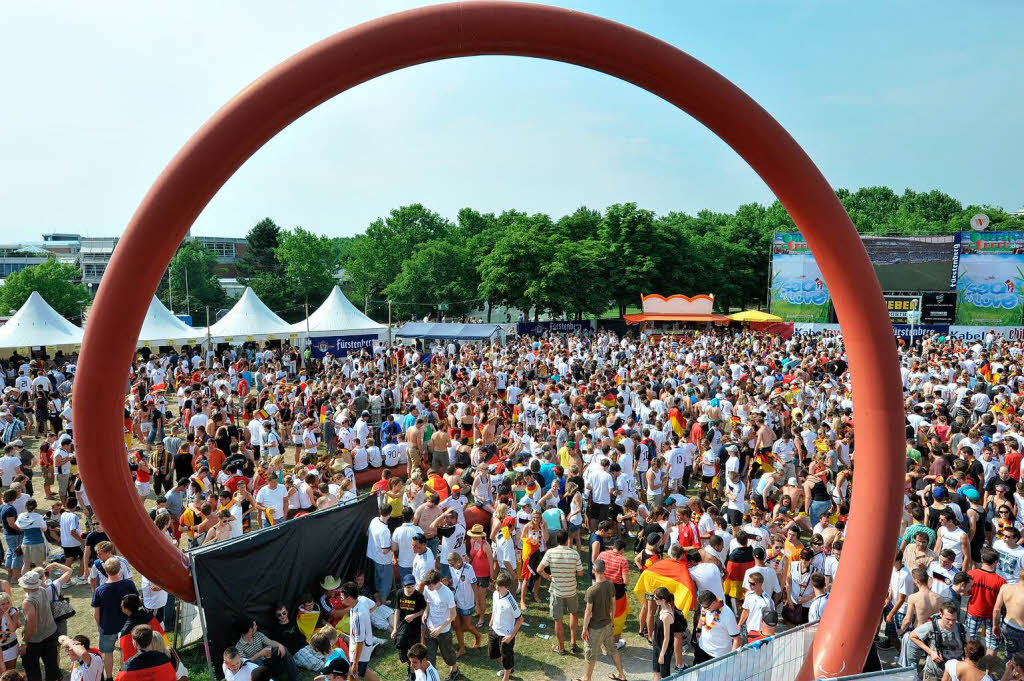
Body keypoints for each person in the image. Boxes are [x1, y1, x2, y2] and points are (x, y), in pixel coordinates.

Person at [578, 559, 627, 681]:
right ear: (604, 570)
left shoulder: (591, 590)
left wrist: (584, 628)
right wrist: (612, 619)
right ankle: (621, 674)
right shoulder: (610, 584)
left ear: (594, 570)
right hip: (608, 625)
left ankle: (586, 678)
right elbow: (613, 604)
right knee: (613, 650)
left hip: (595, 628)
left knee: (590, 654)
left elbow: (588, 612)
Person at [537, 529, 584, 656]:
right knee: (573, 615)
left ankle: (561, 648)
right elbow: (580, 573)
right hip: (571, 590)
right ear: (567, 539)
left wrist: (549, 577)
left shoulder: (550, 553)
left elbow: (539, 569)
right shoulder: (574, 553)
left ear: (557, 540)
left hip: (557, 591)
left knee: (558, 620)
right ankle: (573, 643)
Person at [91, 557, 139, 679]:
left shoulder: (99, 590)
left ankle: (109, 677)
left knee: (108, 654)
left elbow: (96, 613)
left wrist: (99, 626)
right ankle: (125, 674)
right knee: (126, 651)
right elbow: (137, 602)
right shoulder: (129, 584)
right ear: (120, 569)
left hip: (107, 627)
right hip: (127, 625)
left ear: (105, 571)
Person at [19, 570, 59, 681]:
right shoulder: (42, 590)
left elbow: (32, 626)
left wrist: (24, 643)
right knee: (51, 665)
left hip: (35, 640)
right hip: (51, 633)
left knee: (32, 668)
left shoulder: (28, 602)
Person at [910, 602, 965, 681]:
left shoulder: (962, 629)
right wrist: (931, 652)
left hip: (954, 675)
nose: (951, 623)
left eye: (954, 619)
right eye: (948, 619)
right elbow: (912, 636)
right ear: (940, 614)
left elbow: (967, 646)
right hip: (934, 673)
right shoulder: (930, 626)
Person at [422, 570, 459, 681]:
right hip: (430, 628)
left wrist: (439, 628)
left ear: (438, 582)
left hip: (443, 631)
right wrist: (425, 611)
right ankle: (431, 676)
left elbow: (453, 615)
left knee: (447, 654)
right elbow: (428, 602)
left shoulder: (447, 593)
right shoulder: (427, 589)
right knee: (430, 655)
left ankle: (455, 670)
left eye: (431, 585)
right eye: (427, 585)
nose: (428, 588)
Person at [338, 582, 379, 681]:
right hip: (361, 645)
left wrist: (355, 663)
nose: (341, 600)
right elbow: (374, 605)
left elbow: (360, 642)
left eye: (342, 598)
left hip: (361, 649)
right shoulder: (362, 599)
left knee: (355, 673)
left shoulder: (358, 617)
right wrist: (366, 616)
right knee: (362, 672)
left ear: (349, 598)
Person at [488, 572, 522, 681]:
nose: (497, 587)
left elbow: (520, 619)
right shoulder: (495, 594)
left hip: (506, 635)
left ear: (506, 587)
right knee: (494, 654)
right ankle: (508, 669)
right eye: (497, 584)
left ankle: (506, 677)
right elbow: (495, 609)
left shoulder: (511, 602)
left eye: (500, 586)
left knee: (507, 657)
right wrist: (491, 623)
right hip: (494, 630)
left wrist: (511, 636)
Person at [392, 574, 426, 679]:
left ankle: (412, 673)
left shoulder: (419, 596)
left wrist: (413, 615)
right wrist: (394, 628)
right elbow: (397, 610)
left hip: (415, 628)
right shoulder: (399, 594)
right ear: (404, 585)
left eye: (412, 586)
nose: (410, 589)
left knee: (414, 653)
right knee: (402, 650)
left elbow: (423, 610)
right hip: (403, 627)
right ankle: (410, 667)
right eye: (408, 587)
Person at [694, 589, 741, 663]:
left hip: (717, 655)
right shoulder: (705, 606)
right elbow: (702, 615)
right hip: (702, 648)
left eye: (707, 608)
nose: (705, 609)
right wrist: (698, 629)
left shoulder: (728, 615)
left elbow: (737, 639)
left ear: (713, 602)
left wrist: (732, 659)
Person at [651, 587, 684, 681]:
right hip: (657, 644)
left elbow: (667, 638)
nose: (654, 599)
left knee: (665, 676)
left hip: (664, 648)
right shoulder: (661, 607)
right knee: (656, 671)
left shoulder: (666, 616)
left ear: (663, 600)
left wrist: (662, 655)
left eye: (656, 598)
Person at [367, 502, 394, 605]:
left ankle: (379, 599)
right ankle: (383, 602)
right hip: (383, 560)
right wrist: (394, 545)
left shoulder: (374, 520)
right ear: (390, 513)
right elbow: (385, 550)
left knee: (378, 580)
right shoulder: (384, 531)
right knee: (385, 583)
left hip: (373, 556)